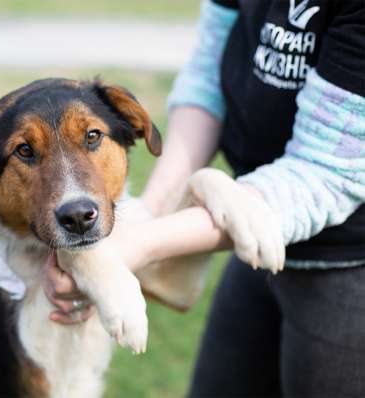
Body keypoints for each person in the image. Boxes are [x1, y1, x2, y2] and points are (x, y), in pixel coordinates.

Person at [42, 0, 365, 396]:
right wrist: (150, 209)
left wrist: (139, 244)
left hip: (349, 260)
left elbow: (329, 172)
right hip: (258, 231)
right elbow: (208, 76)